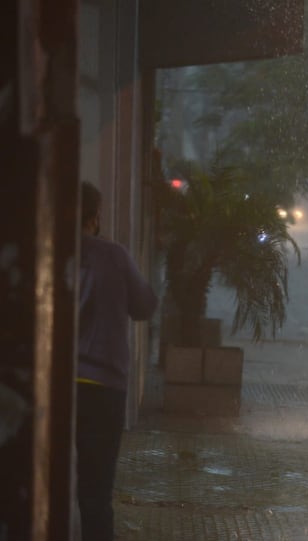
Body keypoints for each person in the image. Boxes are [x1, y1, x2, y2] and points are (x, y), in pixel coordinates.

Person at [76, 181, 157, 540]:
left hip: (55, 385)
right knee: (95, 492)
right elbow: (144, 306)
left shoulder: (42, 250)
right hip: (104, 387)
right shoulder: (114, 255)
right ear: (95, 217)